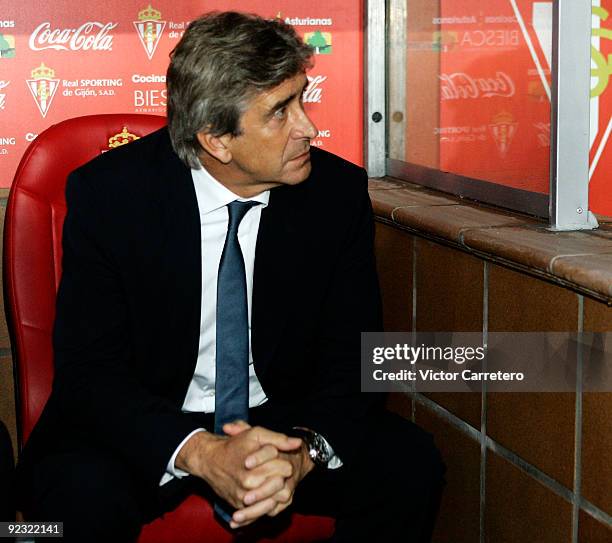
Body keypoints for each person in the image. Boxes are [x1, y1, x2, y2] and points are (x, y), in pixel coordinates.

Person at [16, 11, 444, 542]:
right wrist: (198, 450)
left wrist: (305, 453)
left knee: (408, 464)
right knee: (74, 501)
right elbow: (91, 374)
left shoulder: (334, 195)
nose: (307, 126)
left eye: (301, 99)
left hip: (280, 418)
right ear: (216, 139)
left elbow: (353, 359)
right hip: (148, 421)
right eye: (280, 112)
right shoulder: (109, 197)